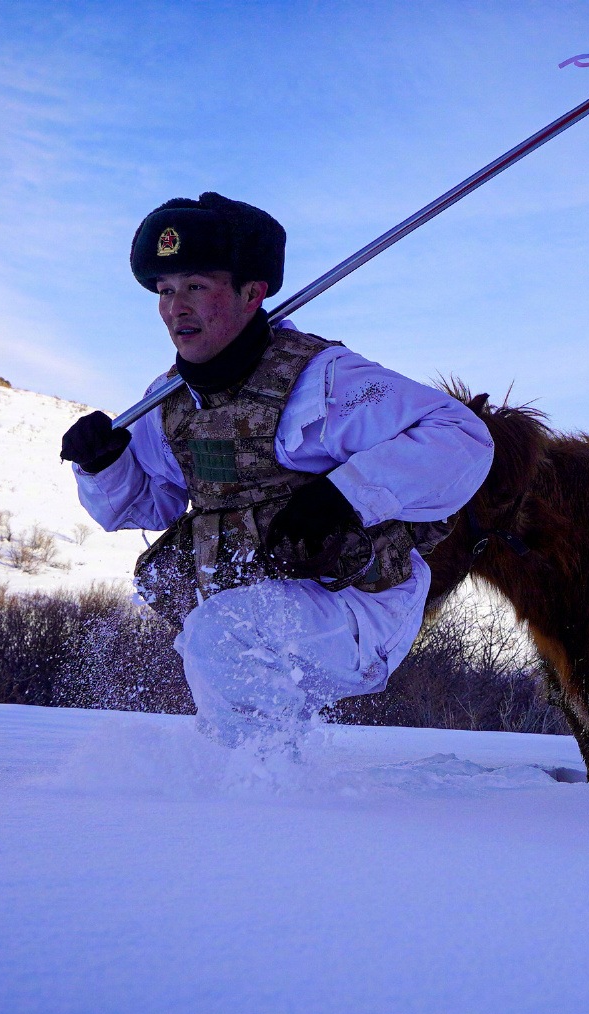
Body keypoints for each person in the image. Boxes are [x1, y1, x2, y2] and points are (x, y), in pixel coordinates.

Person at [60, 193, 493, 760]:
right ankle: (272, 785)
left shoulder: (325, 381)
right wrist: (103, 466)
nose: (174, 308)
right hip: (258, 610)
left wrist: (347, 495)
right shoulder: (167, 403)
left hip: (360, 605)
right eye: (164, 291)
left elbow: (461, 437)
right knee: (215, 640)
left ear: (252, 292)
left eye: (194, 286)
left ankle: (262, 805)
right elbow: (148, 508)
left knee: (221, 636)